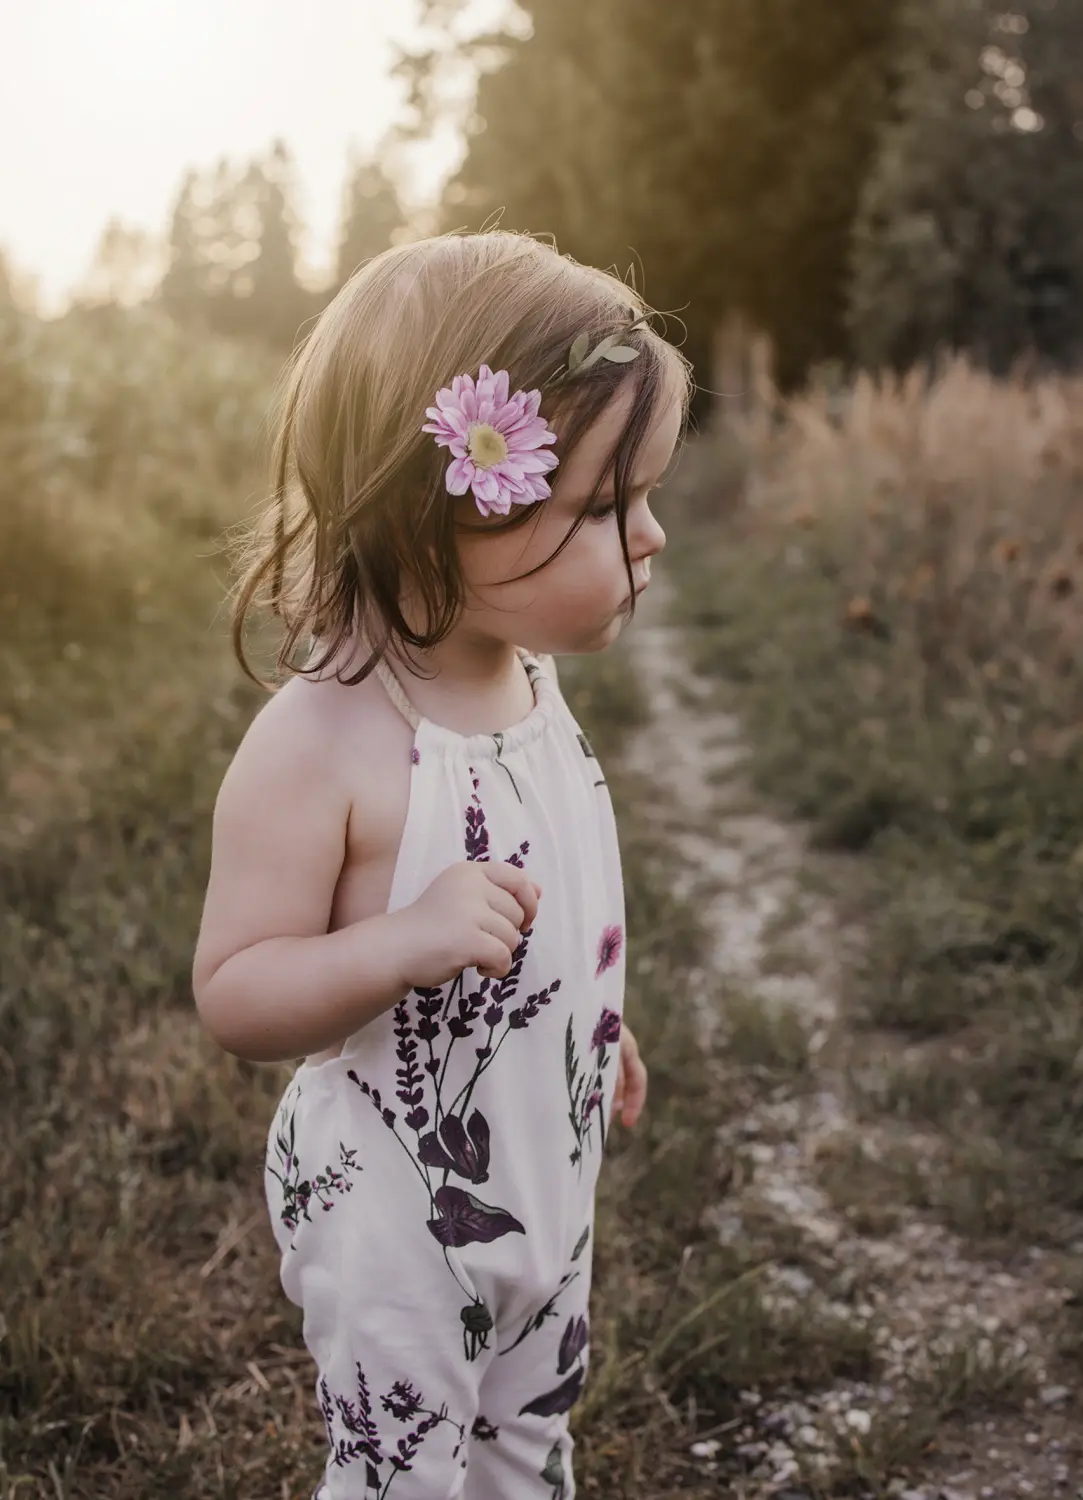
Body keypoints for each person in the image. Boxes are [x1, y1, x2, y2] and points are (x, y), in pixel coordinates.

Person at [191, 230, 691, 1500]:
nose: (652, 537)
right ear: (436, 514)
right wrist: (401, 940)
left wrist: (587, 1021)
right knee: (405, 1466)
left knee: (531, 1432)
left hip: (540, 1164)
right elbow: (237, 987)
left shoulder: (532, 680)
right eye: (602, 507)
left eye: (643, 497)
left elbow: (555, 900)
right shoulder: (326, 739)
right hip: (395, 1212)